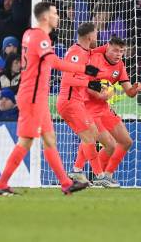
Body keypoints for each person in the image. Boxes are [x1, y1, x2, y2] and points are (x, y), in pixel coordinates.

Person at [0, 2, 99, 195]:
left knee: (50, 139)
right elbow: (53, 62)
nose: (58, 17)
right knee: (25, 141)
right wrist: (83, 69)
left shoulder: (28, 33)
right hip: (33, 97)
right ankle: (1, 184)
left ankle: (66, 184)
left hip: (36, 96)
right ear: (45, 17)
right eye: (55, 13)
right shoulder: (41, 38)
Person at [72, 37, 141, 187]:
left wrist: (135, 89)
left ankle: (106, 174)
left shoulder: (120, 66)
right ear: (107, 48)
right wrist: (100, 95)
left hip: (104, 108)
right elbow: (85, 85)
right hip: (88, 108)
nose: (118, 54)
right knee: (108, 144)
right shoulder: (95, 59)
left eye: (122, 51)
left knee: (125, 141)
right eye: (115, 50)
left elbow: (129, 92)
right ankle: (87, 173)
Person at [56, 23, 111, 185]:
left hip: (76, 102)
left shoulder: (84, 52)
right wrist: (90, 84)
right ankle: (99, 176)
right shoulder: (77, 52)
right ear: (89, 37)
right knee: (90, 137)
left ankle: (77, 170)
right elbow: (67, 78)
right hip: (69, 102)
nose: (97, 36)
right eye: (96, 34)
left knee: (91, 134)